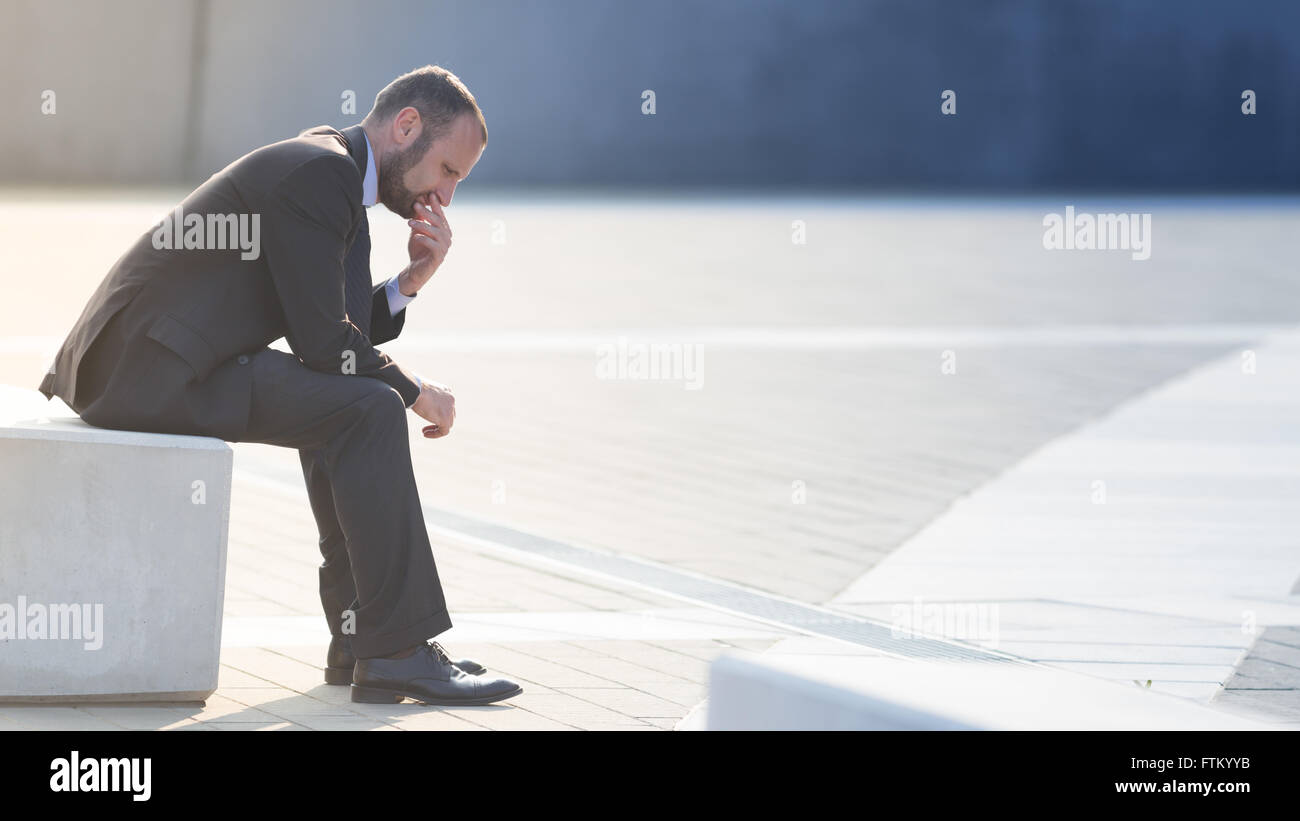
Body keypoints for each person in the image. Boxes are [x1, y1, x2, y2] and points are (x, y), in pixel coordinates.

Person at [37, 65, 521, 706]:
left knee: (351, 406)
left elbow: (338, 332)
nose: (448, 196)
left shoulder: (337, 173)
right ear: (407, 126)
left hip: (159, 362)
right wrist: (416, 390)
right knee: (369, 408)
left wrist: (411, 280)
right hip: (143, 370)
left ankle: (364, 640)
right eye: (448, 170)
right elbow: (325, 345)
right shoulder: (322, 174)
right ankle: (395, 650)